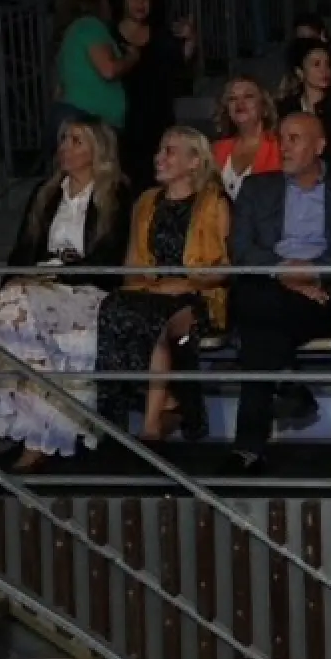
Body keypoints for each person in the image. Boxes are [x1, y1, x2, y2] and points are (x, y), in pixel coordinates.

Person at [0, 117, 132, 470]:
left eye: (76, 141)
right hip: (35, 289)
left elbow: (109, 258)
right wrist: (13, 282)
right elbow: (23, 250)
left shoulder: (116, 194)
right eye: (63, 140)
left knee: (14, 307)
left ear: (97, 150)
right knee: (16, 313)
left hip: (85, 289)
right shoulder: (46, 192)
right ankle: (36, 438)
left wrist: (48, 276)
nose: (65, 148)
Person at [224, 113, 331, 475]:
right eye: (281, 138)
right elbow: (241, 250)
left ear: (319, 146)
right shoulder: (257, 188)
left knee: (256, 318)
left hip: (321, 295)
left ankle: (276, 402)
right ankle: (252, 439)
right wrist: (285, 272)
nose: (284, 147)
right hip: (270, 284)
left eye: (294, 139)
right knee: (259, 311)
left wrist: (312, 273)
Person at [96, 127, 230, 442]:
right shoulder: (145, 201)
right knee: (113, 306)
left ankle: (152, 424)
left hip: (198, 295)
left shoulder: (214, 202)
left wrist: (186, 283)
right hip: (151, 292)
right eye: (159, 150)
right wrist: (148, 286)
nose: (158, 158)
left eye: (169, 151)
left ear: (194, 161)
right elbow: (132, 264)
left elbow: (226, 267)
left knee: (155, 318)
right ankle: (139, 410)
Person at [113, 0, 197, 192]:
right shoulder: (108, 36)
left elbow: (179, 63)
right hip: (122, 124)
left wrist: (190, 39)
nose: (140, 3)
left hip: (158, 120)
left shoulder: (160, 34)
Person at [53, 0, 137, 141]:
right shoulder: (90, 26)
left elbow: (59, 88)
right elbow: (109, 70)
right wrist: (132, 58)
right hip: (90, 119)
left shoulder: (71, 34)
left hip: (74, 115)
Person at [210, 77, 281, 200]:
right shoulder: (216, 149)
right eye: (232, 98)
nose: (239, 103)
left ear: (264, 107)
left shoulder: (280, 147)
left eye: (248, 96)